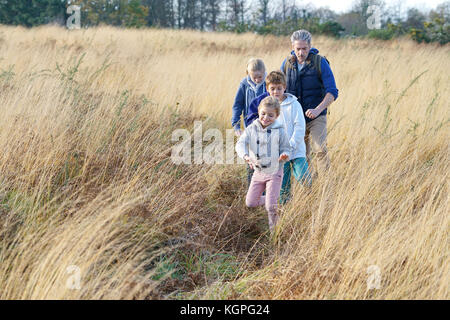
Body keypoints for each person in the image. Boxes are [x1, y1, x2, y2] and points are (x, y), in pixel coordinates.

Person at [246, 71, 311, 204]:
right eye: (273, 89)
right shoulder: (267, 108)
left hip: (296, 150)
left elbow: (299, 127)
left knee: (303, 177)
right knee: (283, 187)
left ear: (284, 87)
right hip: (279, 155)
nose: (276, 92)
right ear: (267, 89)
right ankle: (284, 210)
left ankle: (311, 199)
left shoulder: (294, 104)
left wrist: (290, 146)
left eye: (279, 88)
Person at [281, 29, 339, 178]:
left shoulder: (320, 62)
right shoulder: (287, 63)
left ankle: (327, 185)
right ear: (293, 47)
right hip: (295, 117)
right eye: (297, 49)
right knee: (302, 154)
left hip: (316, 116)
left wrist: (318, 110)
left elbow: (332, 91)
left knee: (320, 150)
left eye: (304, 48)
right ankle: (309, 188)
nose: (301, 53)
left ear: (310, 46)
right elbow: (277, 88)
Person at [235, 96, 291, 233]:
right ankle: (270, 199)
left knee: (271, 207)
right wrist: (246, 156)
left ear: (277, 116)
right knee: (250, 202)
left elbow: (286, 148)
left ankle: (274, 233)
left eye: (271, 115)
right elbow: (240, 144)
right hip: (258, 172)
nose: (266, 118)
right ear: (259, 112)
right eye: (263, 114)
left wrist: (284, 154)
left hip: (274, 172)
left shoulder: (280, 131)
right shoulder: (251, 128)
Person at [231, 58, 267, 188]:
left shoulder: (268, 85)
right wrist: (236, 126)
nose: (257, 79)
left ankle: (265, 191)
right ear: (248, 74)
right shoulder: (244, 85)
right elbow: (237, 105)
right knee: (252, 159)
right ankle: (251, 190)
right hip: (250, 128)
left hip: (267, 128)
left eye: (260, 76)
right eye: (254, 77)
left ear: (264, 73)